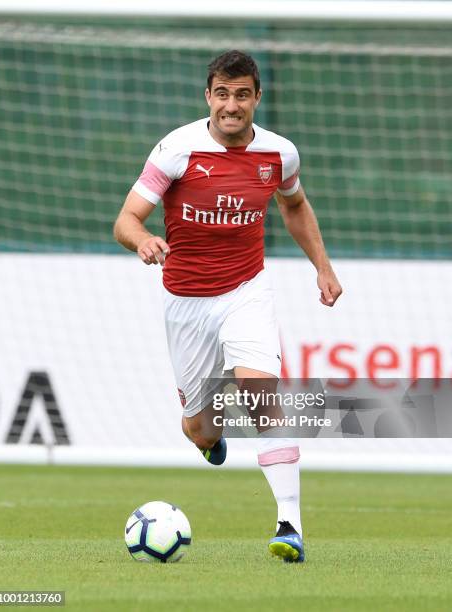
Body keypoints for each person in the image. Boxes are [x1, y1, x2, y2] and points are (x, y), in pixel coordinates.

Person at [114, 50, 342, 563]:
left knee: (261, 393)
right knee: (198, 425)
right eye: (223, 94)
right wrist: (144, 240)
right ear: (208, 97)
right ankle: (206, 439)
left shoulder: (279, 154)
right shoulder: (177, 150)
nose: (232, 105)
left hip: (247, 290)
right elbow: (125, 219)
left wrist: (322, 267)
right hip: (186, 302)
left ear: (257, 97)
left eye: (242, 94)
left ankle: (289, 526)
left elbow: (295, 204)